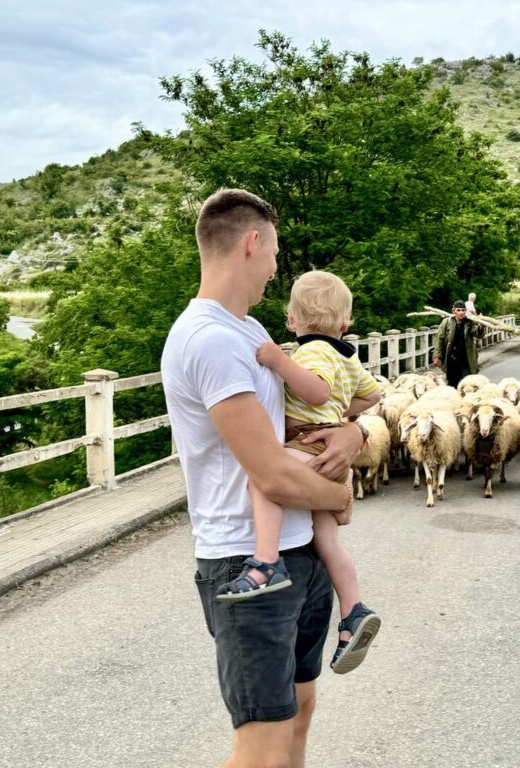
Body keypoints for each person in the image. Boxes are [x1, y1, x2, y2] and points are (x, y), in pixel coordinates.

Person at [161, 189, 365, 767]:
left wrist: (356, 435)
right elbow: (272, 473)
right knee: (263, 750)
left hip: (298, 553)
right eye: (275, 252)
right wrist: (341, 496)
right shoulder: (212, 340)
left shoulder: (250, 333)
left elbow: (315, 414)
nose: (277, 268)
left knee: (299, 716)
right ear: (253, 243)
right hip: (246, 562)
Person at [216, 269, 383, 675]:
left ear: (291, 320)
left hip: (306, 445)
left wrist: (278, 360)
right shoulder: (347, 354)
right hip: (327, 452)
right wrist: (346, 419)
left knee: (264, 481)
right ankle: (353, 610)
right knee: (328, 542)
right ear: (346, 324)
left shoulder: (309, 352)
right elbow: (374, 393)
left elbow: (316, 391)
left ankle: (266, 563)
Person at [432, 299, 487, 388]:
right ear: (453, 311)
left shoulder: (470, 322)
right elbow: (440, 339)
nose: (461, 312)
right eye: (458, 310)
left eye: (463, 310)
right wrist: (437, 356)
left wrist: (481, 326)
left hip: (466, 358)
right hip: (451, 358)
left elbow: (478, 334)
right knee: (452, 383)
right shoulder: (446, 322)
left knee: (467, 383)